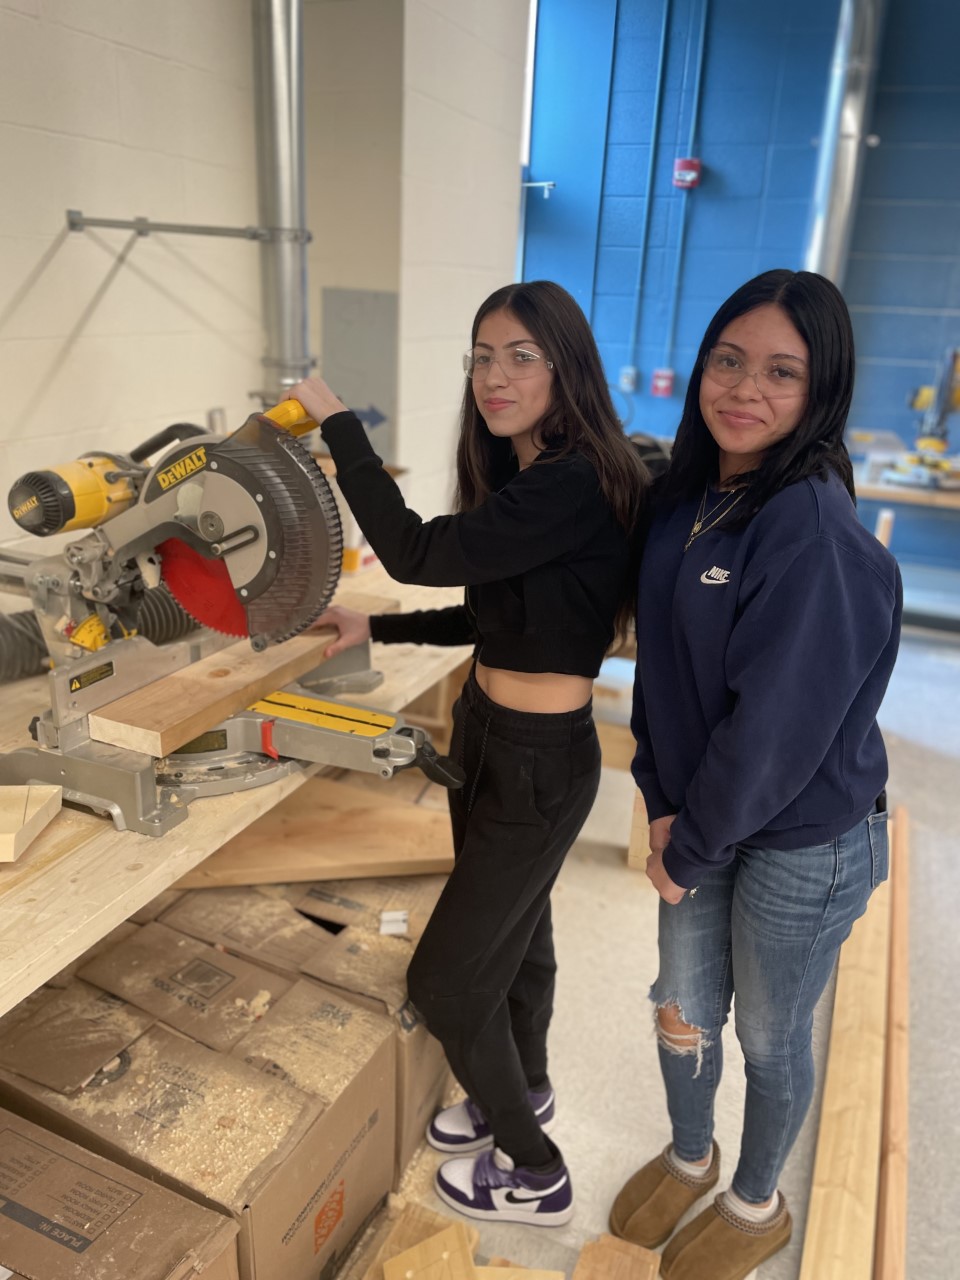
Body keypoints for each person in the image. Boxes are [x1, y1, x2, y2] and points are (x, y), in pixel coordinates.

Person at [287, 280, 648, 1226]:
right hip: (487, 737)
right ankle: (518, 1091)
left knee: (445, 979)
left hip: (537, 759)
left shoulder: (576, 478)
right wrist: (377, 632)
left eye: (520, 355)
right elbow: (494, 615)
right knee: (520, 943)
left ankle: (536, 1171)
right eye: (482, 356)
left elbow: (410, 549)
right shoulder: (533, 479)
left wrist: (341, 431)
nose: (494, 376)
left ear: (566, 365)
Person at [608, 269, 902, 1279]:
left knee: (771, 1039)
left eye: (783, 371)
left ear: (821, 391)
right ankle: (692, 1155)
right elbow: (661, 675)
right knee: (682, 1000)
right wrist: (656, 798)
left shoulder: (811, 529)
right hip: (702, 814)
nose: (745, 388)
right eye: (729, 360)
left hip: (804, 838)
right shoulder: (688, 498)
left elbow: (775, 731)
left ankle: (755, 1198)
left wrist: (686, 842)